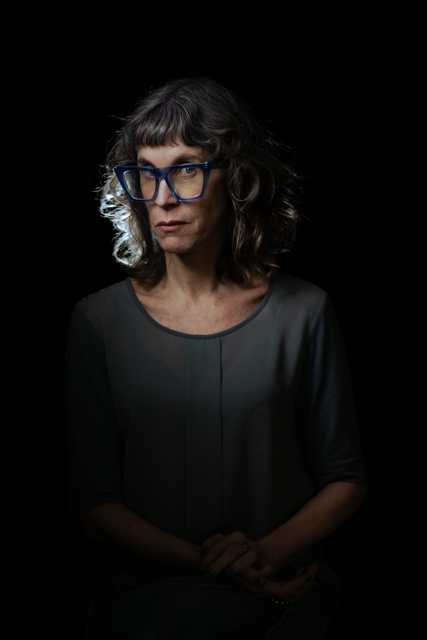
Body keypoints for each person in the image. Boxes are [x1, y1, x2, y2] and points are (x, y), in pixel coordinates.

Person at [64, 76, 368, 639]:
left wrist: (265, 555)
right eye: (145, 173)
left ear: (238, 179)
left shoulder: (304, 313)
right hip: (144, 608)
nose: (161, 197)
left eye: (185, 169)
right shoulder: (97, 322)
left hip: (284, 598)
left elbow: (346, 479)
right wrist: (210, 564)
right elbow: (94, 500)